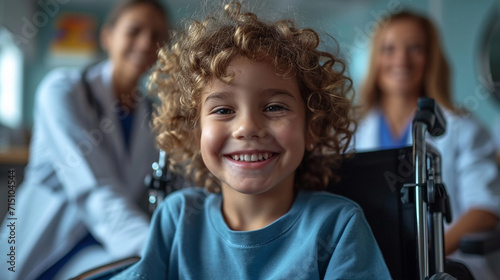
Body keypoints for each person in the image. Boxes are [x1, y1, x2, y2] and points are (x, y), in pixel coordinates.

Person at [111, 1, 392, 279]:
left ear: (312, 128)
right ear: (195, 133)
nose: (247, 127)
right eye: (223, 110)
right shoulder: (178, 216)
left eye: (274, 107)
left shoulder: (337, 225)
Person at [0, 1, 170, 279]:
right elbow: (93, 187)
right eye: (134, 30)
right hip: (48, 246)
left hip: (106, 245)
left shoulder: (154, 115)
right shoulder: (63, 90)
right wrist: (154, 246)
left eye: (157, 36)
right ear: (107, 37)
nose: (145, 43)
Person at [353, 10, 500, 279]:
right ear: (375, 59)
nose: (401, 59)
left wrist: (425, 254)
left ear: (431, 58)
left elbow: (485, 210)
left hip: (449, 266)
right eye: (389, 49)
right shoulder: (352, 131)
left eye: (415, 48)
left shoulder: (463, 129)